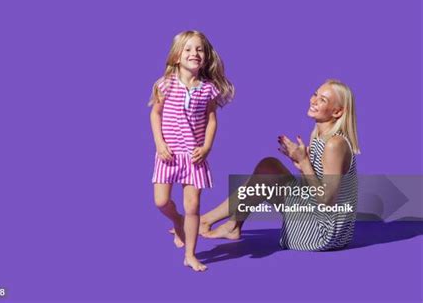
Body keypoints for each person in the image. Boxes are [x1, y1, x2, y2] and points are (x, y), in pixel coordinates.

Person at [200, 79, 360, 251]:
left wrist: (305, 163)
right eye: (315, 94)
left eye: (323, 100)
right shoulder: (320, 138)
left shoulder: (334, 144)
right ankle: (229, 225)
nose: (313, 101)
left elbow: (327, 200)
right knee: (268, 166)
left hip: (321, 234)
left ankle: (210, 221)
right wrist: (302, 165)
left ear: (337, 112)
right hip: (316, 220)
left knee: (268, 171)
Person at [149, 30, 234, 271]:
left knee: (193, 206)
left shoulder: (208, 89)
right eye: (188, 49)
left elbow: (212, 120)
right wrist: (159, 143)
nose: (194, 53)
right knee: (161, 201)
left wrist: (206, 147)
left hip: (194, 156)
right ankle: (178, 222)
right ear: (177, 56)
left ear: (206, 57)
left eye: (199, 49)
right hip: (168, 154)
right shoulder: (164, 84)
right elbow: (155, 114)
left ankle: (190, 254)